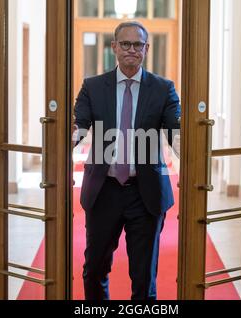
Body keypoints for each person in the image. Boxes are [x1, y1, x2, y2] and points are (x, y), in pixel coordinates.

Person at [73, 21, 181, 300]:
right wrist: (61, 141)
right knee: (94, 269)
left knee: (144, 277)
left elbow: (176, 135)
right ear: (114, 47)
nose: (131, 50)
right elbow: (78, 127)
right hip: (104, 190)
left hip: (145, 194)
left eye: (137, 45)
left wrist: (194, 148)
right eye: (125, 44)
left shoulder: (163, 89)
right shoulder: (93, 87)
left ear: (146, 48)